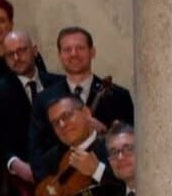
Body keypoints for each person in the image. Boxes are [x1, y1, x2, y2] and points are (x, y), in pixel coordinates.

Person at [30, 26, 135, 178]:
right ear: (60, 56)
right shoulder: (43, 100)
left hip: (107, 185)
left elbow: (132, 150)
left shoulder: (119, 96)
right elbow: (37, 154)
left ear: (92, 52)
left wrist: (105, 133)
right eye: (67, 50)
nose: (74, 54)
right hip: (62, 188)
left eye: (80, 48)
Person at [0, 30, 63, 183]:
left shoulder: (60, 84)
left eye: (22, 50)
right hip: (23, 175)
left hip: (62, 171)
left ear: (35, 50)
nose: (16, 58)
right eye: (10, 54)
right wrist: (15, 164)